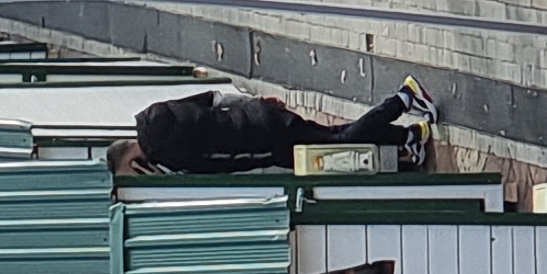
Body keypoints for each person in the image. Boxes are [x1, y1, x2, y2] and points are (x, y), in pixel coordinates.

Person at [116, 79, 444, 176]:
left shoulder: (168, 155)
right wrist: (255, 101)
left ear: (132, 163)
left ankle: (404, 98)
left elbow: (223, 164)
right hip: (260, 119)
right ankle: (407, 136)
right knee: (333, 136)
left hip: (266, 142)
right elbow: (213, 99)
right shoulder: (154, 113)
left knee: (340, 144)